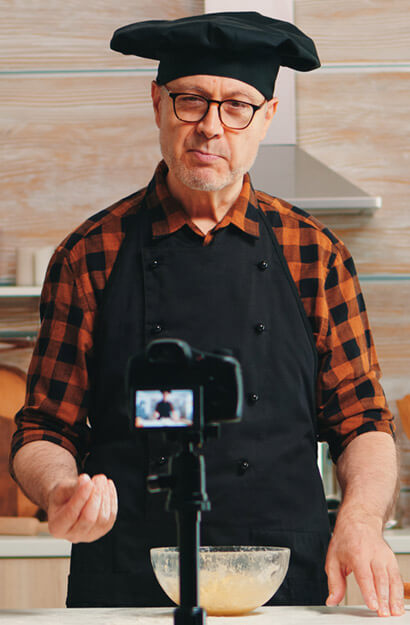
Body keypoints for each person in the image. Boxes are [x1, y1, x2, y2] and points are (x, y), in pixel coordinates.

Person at [9, 12, 404, 616]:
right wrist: (60, 489)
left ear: (266, 117)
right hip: (129, 578)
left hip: (282, 581)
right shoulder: (89, 254)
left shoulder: (315, 253)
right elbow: (44, 429)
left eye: (237, 106)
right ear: (158, 104)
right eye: (190, 100)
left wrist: (361, 520)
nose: (211, 127)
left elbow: (362, 420)